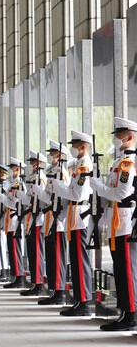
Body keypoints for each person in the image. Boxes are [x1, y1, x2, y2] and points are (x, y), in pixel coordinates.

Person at [90, 117, 137, 330]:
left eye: (119, 135)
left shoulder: (129, 162)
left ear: (130, 137)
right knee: (119, 268)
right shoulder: (119, 162)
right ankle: (125, 312)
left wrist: (98, 186)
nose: (116, 138)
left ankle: (131, 315)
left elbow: (121, 193)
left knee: (127, 269)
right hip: (116, 220)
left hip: (125, 220)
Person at [53, 131, 93, 316]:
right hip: (73, 215)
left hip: (79, 215)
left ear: (83, 146)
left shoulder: (84, 166)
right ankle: (79, 300)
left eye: (75, 145)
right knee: (75, 261)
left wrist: (58, 187)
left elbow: (76, 194)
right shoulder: (78, 165)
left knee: (80, 260)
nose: (72, 149)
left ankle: (84, 303)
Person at [36, 141, 69, 305]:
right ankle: (54, 291)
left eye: (54, 153)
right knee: (51, 256)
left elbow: (60, 198)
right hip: (49, 218)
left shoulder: (61, 172)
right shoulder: (51, 171)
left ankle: (59, 292)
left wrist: (40, 194)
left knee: (57, 257)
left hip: (57, 219)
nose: (51, 155)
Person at [17, 151, 47, 296]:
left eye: (34, 162)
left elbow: (43, 199)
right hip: (31, 218)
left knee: (37, 252)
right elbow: (30, 199)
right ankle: (35, 282)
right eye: (31, 162)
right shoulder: (32, 178)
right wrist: (22, 195)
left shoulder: (41, 178)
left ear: (40, 164)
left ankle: (39, 284)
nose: (32, 165)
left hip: (38, 217)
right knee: (32, 252)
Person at [0, 157, 26, 289]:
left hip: (15, 220)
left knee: (15, 249)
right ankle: (15, 276)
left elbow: (15, 204)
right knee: (11, 249)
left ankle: (19, 278)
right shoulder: (12, 183)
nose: (10, 170)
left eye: (12, 168)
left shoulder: (19, 184)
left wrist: (3, 198)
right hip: (9, 220)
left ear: (18, 169)